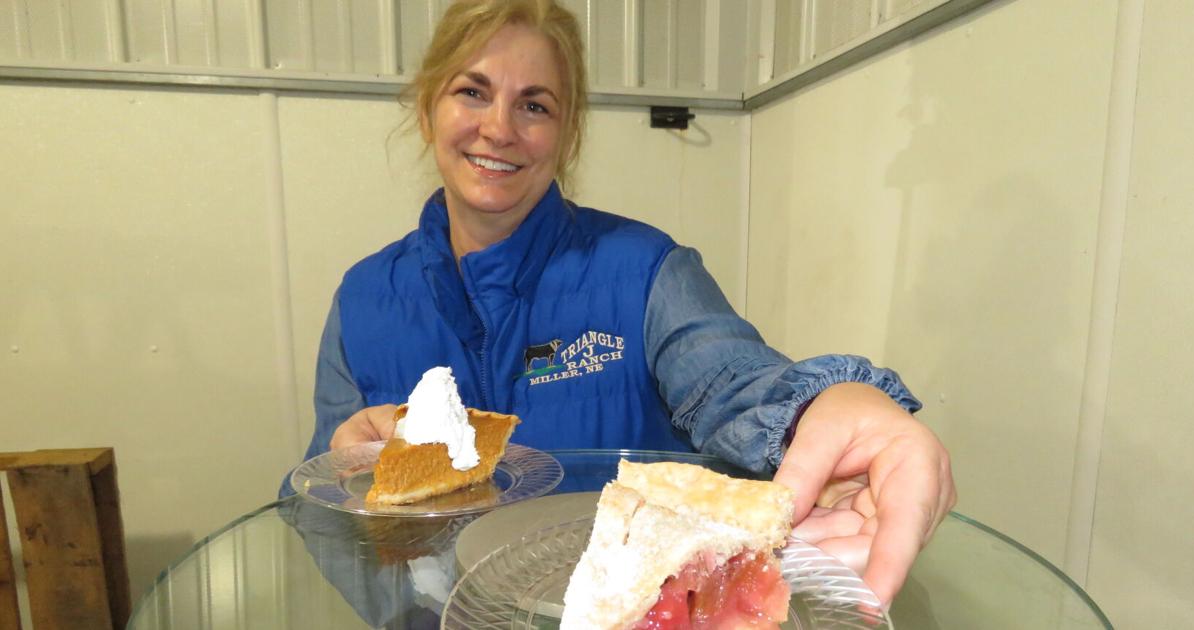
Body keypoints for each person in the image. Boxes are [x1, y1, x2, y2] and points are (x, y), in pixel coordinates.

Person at [287, 0, 955, 607]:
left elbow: (733, 380)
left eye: (535, 105)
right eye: (472, 92)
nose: (498, 128)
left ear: (567, 132)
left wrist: (823, 406)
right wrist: (350, 494)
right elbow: (315, 514)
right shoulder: (363, 299)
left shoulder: (645, 269)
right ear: (427, 106)